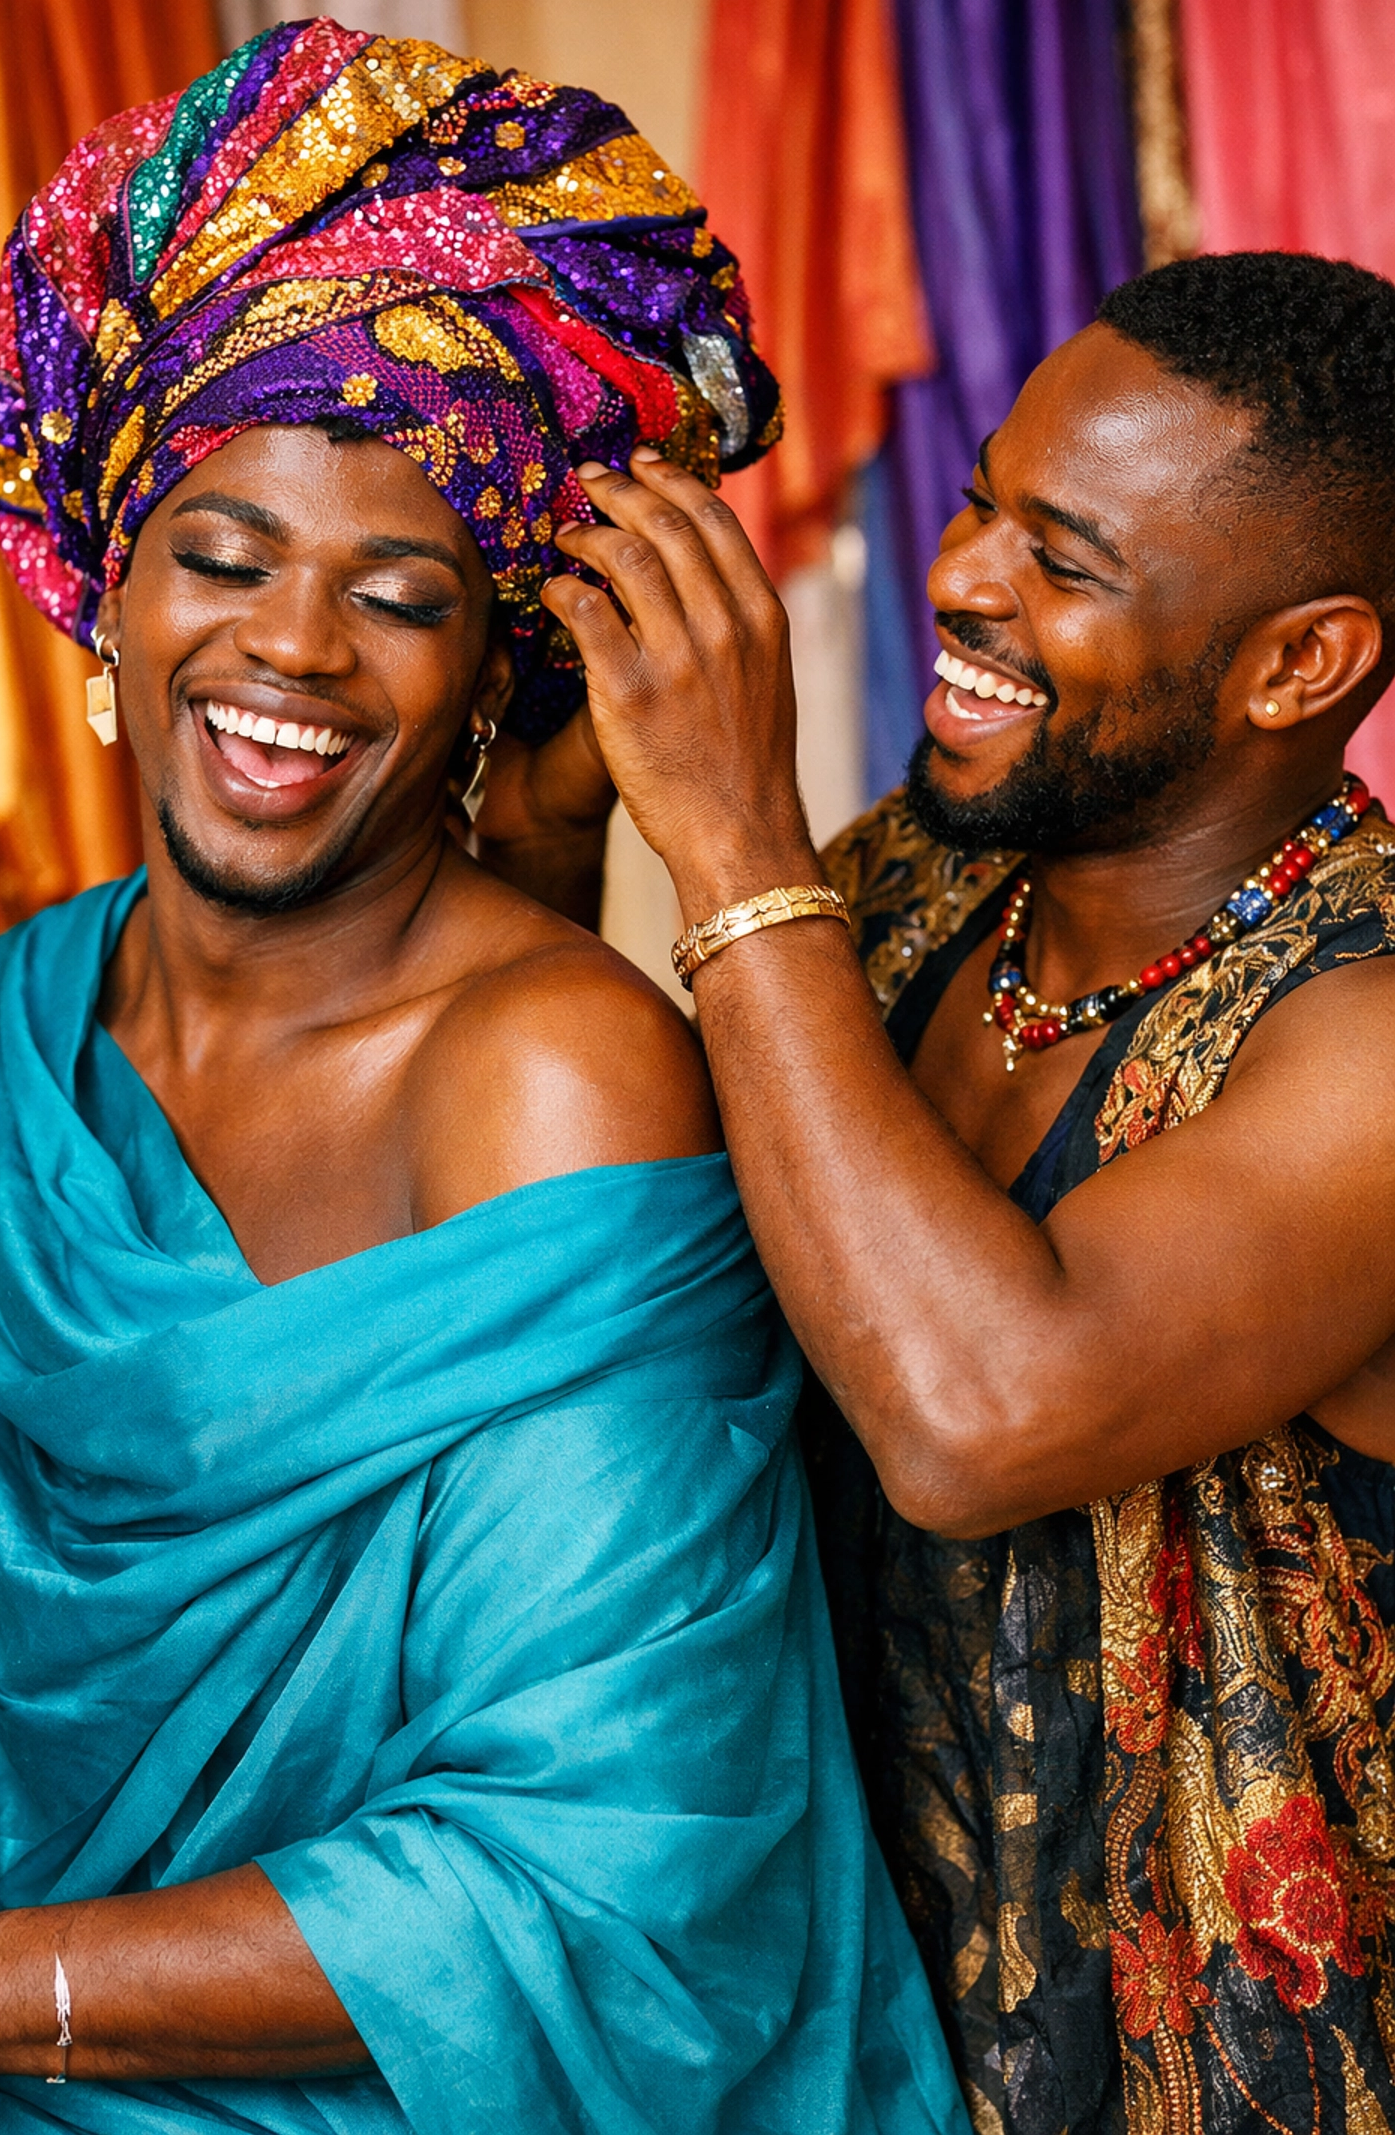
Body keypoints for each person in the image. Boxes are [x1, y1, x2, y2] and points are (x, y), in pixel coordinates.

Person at [0, 22, 967, 2135]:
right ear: (109, 583)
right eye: (223, 557)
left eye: (398, 596)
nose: (291, 648)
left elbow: (604, 1873)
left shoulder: (548, 1079)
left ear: (488, 669)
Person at [535, 250, 1395, 2135]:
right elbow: (627, 1248)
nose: (957, 578)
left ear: (1299, 664)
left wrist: (739, 847)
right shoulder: (920, 899)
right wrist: (549, 780)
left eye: (1062, 563)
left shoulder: (1368, 1044)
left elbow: (975, 1414)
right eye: (980, 495)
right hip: (859, 2045)